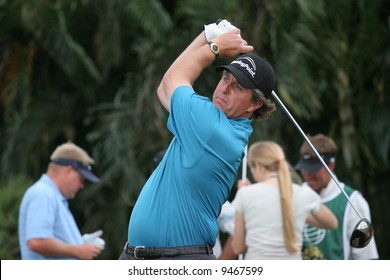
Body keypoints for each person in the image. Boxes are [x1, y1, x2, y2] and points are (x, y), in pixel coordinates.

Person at [118, 19, 277, 260]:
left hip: (179, 260)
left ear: (255, 104)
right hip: (146, 257)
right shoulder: (217, 125)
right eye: (225, 78)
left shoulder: (214, 130)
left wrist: (214, 46)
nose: (225, 88)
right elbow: (166, 87)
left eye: (238, 86)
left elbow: (170, 82)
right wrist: (209, 35)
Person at [232, 141, 338, 260]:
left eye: (251, 167)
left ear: (257, 164)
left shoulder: (245, 194)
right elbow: (332, 223)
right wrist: (297, 213)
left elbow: (238, 248)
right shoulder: (304, 194)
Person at [295, 133, 379, 260]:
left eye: (313, 169)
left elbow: (365, 256)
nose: (307, 174)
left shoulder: (353, 201)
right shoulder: (296, 195)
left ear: (331, 166)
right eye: (304, 168)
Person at [18, 142, 104, 260]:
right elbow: (37, 241)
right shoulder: (43, 194)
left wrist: (81, 242)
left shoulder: (53, 197)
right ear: (68, 171)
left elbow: (47, 239)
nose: (81, 185)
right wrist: (79, 250)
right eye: (81, 179)